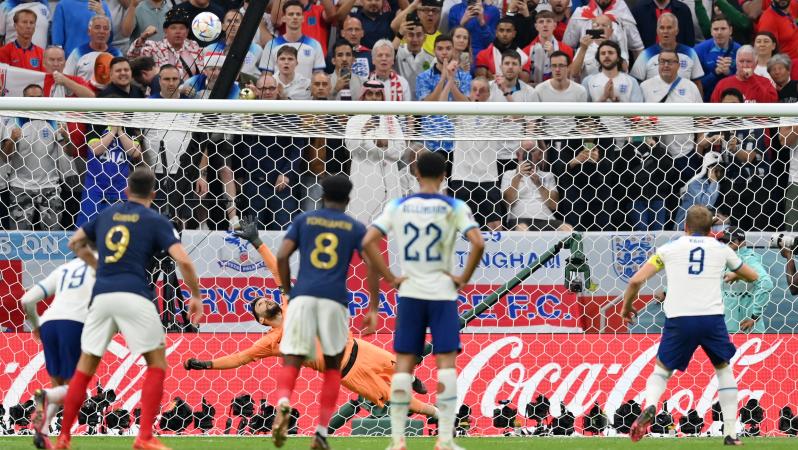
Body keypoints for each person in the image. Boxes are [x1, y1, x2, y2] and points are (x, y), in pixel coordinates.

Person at [56, 167, 203, 450]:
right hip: (135, 294)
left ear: (126, 191)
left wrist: (98, 266)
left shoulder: (107, 214)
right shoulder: (155, 219)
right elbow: (183, 260)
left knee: (85, 367)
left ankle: (63, 437)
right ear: (153, 194)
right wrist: (194, 294)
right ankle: (145, 436)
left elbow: (75, 242)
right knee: (157, 363)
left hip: (102, 298)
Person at [363, 151, 485, 450]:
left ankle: (397, 440)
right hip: (442, 293)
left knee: (404, 365)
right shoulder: (454, 205)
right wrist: (463, 278)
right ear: (445, 175)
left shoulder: (399, 206)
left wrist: (390, 278)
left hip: (411, 294)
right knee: (446, 365)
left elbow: (367, 241)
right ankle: (444, 440)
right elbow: (478, 242)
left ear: (416, 173)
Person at [271, 175, 402, 450]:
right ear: (349, 199)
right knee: (333, 368)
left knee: (292, 360)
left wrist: (287, 288)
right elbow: (371, 263)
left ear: (321, 195)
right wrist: (374, 306)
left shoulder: (304, 220)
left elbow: (282, 255)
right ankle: (320, 432)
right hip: (334, 302)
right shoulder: (354, 227)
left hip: (303, 297)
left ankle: (283, 401)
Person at [621, 204, 759, 446]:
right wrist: (735, 274)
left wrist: (625, 308)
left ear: (684, 226)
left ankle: (651, 405)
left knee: (662, 371)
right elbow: (752, 275)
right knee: (724, 370)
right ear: (711, 229)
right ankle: (731, 434)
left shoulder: (669, 249)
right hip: (711, 319)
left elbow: (635, 280)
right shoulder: (720, 249)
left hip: (679, 319)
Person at [183, 296, 437, 419]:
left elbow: (277, 272)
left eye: (265, 298)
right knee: (398, 399)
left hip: (360, 348)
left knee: (402, 364)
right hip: (347, 373)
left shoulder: (289, 305)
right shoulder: (271, 342)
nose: (266, 300)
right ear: (261, 319)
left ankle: (412, 377)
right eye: (260, 304)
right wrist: (205, 365)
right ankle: (434, 413)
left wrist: (258, 243)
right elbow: (239, 358)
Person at [21, 254, 95, 449]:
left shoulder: (63, 270)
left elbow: (27, 299)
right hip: (73, 325)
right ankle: (44, 395)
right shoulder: (101, 268)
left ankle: (42, 433)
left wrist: (36, 326)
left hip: (49, 324)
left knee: (60, 389)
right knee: (77, 391)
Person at [1, 84, 73, 231]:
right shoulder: (15, 121)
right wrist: (13, 139)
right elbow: (5, 156)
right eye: (31, 98)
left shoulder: (53, 120)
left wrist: (66, 138)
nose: (35, 101)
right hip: (21, 186)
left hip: (50, 186)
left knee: (53, 235)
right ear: (24, 99)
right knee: (18, 237)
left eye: (39, 98)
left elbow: (70, 152)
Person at [715, 228, 774, 333]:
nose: (726, 244)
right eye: (724, 241)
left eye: (731, 241)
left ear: (742, 242)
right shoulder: (724, 258)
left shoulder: (748, 259)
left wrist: (754, 317)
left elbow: (766, 284)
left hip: (747, 331)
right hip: (726, 329)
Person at [127, 8, 204, 81]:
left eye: (182, 28)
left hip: (192, 92)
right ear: (165, 30)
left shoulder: (193, 46)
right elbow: (132, 57)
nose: (178, 31)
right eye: (173, 28)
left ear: (187, 31)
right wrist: (143, 38)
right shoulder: (154, 48)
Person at [259, 0, 326, 80]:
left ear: (303, 18)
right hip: (278, 91)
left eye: (298, 14)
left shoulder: (315, 45)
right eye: (291, 14)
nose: (294, 17)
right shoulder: (271, 45)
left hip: (306, 91)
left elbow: (318, 79)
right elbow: (266, 78)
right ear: (283, 18)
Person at [694, 14, 740, 102]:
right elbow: (696, 84)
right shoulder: (699, 50)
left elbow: (743, 81)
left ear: (730, 30)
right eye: (715, 29)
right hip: (707, 101)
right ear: (711, 31)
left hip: (732, 102)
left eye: (723, 29)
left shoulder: (739, 50)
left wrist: (729, 73)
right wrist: (715, 72)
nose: (719, 32)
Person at [710, 45, 777, 103]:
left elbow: (771, 104)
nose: (745, 65)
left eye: (748, 61)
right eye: (741, 61)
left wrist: (752, 79)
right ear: (736, 64)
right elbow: (713, 109)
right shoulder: (723, 84)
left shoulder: (765, 82)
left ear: (755, 64)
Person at [65, 15, 122, 82]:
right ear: (89, 31)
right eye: (97, 28)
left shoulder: (116, 54)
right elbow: (67, 78)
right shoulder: (77, 52)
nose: (101, 31)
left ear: (109, 34)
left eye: (106, 28)